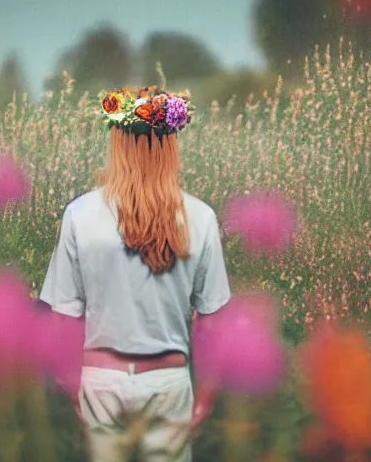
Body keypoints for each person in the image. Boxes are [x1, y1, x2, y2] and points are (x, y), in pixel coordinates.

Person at [39, 86, 231, 461]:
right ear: (170, 145)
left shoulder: (80, 214)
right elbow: (212, 325)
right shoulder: (201, 218)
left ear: (118, 142)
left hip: (100, 381)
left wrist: (74, 393)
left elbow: (63, 320)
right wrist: (203, 401)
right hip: (169, 383)